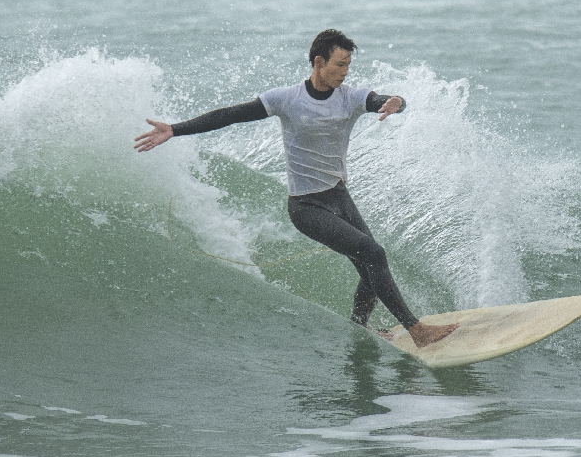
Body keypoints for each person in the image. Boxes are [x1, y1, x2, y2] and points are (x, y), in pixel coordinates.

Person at [134, 29, 458, 348]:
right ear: (319, 62)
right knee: (374, 253)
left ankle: (360, 328)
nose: (345, 73)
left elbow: (380, 100)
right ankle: (417, 330)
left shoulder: (350, 98)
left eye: (348, 66)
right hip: (306, 206)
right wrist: (175, 130)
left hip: (338, 195)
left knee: (369, 267)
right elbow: (229, 115)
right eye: (339, 65)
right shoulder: (286, 99)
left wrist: (395, 102)